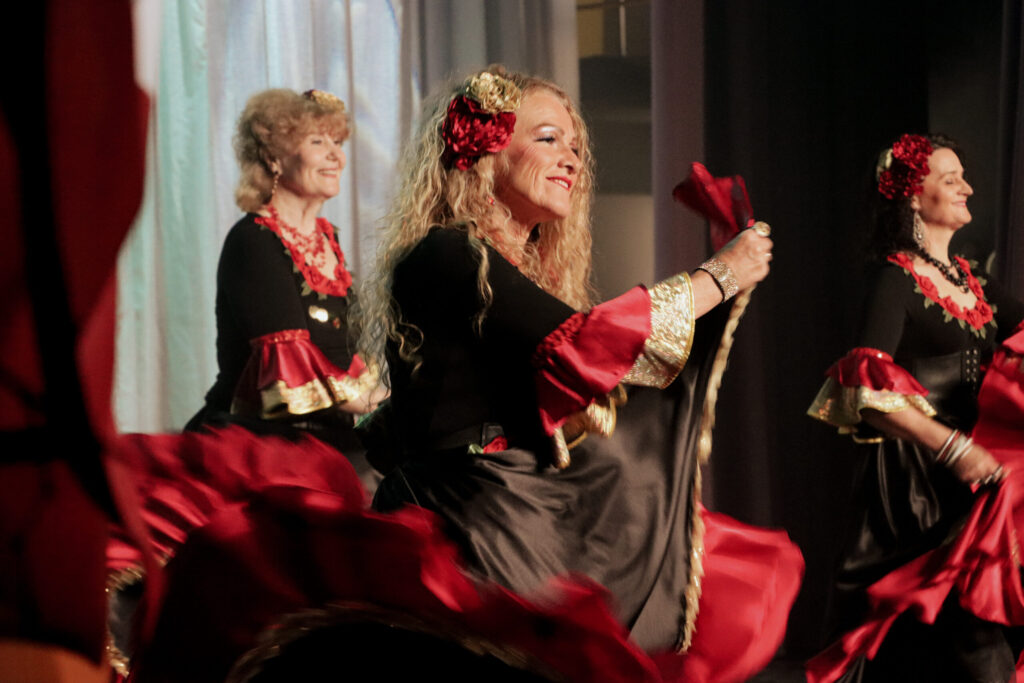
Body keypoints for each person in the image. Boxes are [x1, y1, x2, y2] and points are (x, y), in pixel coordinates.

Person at [357, 67, 801, 677]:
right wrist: (718, 278)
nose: (570, 159)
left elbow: (603, 364)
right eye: (547, 139)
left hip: (506, 509)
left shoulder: (506, 266)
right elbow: (586, 343)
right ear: (485, 150)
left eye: (575, 147)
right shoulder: (450, 252)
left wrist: (718, 290)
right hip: (464, 523)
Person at [807, 133, 1024, 682]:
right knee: (965, 641)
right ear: (910, 195)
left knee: (961, 643)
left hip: (975, 483)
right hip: (917, 486)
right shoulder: (894, 279)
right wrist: (955, 448)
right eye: (950, 180)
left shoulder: (974, 281)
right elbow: (867, 397)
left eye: (963, 177)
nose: (967, 188)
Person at [184, 88, 381, 490]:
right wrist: (374, 405)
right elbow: (289, 359)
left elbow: (348, 353)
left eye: (337, 142)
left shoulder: (327, 238)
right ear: (274, 158)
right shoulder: (253, 240)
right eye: (317, 142)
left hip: (328, 438)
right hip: (260, 446)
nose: (336, 156)